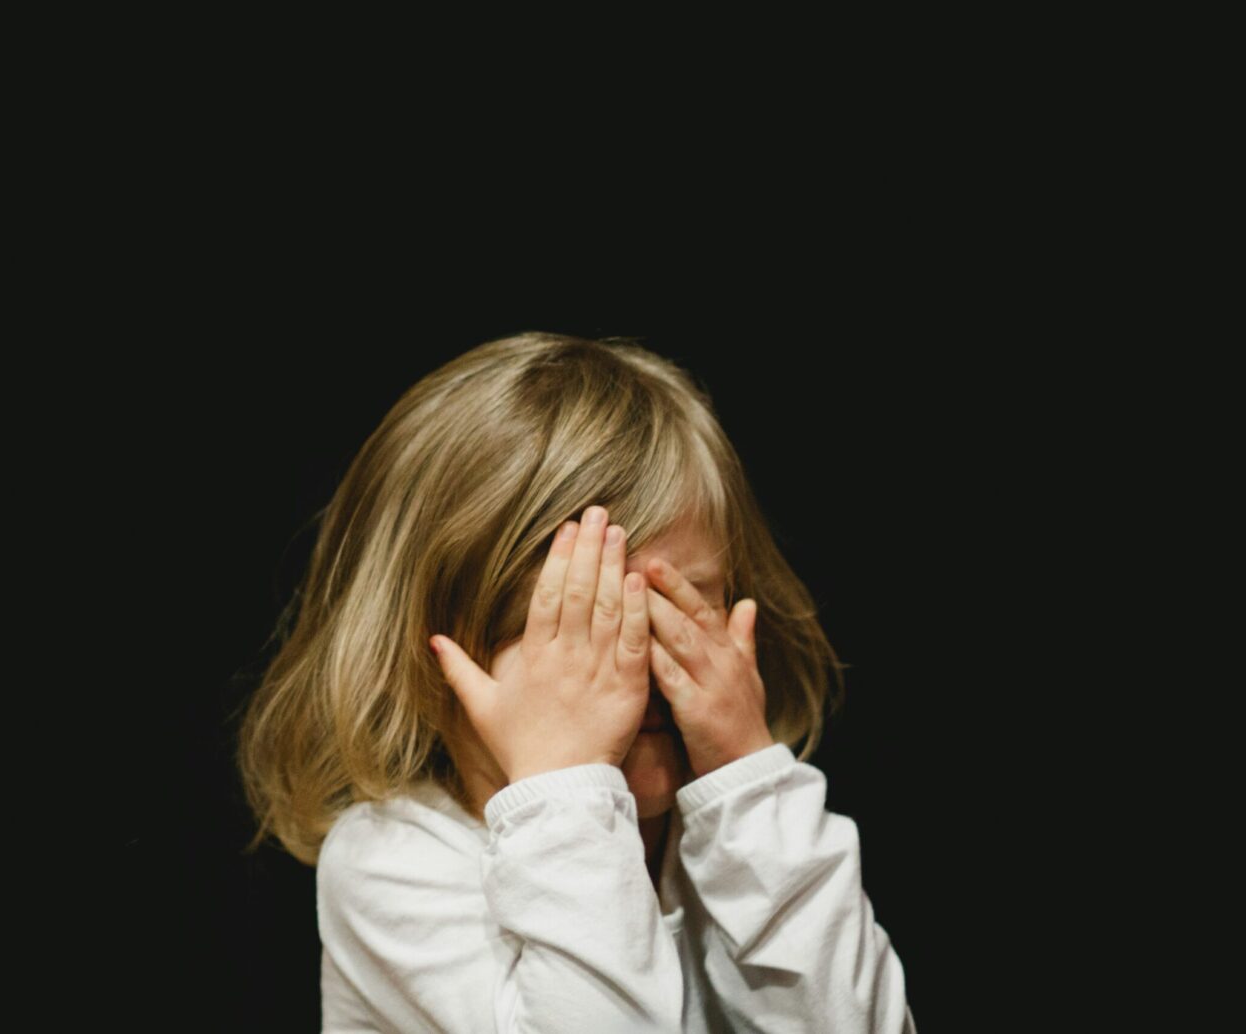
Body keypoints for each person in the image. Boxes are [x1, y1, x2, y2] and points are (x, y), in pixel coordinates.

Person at [237, 331, 917, 1033]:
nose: (636, 664)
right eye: (581, 623)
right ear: (435, 653)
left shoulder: (743, 837)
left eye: (679, 606)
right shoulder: (391, 861)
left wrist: (749, 785)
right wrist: (566, 786)